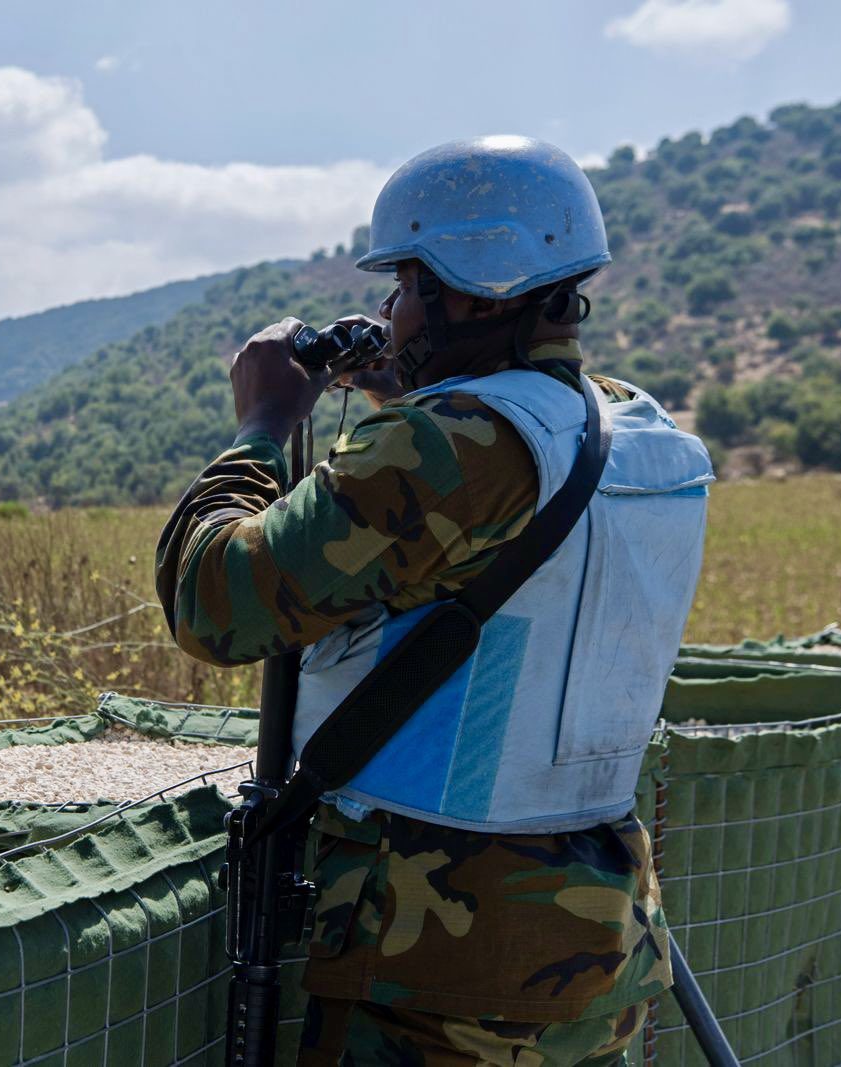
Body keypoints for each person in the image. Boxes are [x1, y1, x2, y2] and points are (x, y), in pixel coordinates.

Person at [155, 136, 713, 1066]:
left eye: (407, 285)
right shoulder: (640, 430)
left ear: (465, 291)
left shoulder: (451, 446)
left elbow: (213, 600)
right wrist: (417, 384)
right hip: (599, 946)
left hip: (435, 964)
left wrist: (262, 425)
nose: (389, 309)